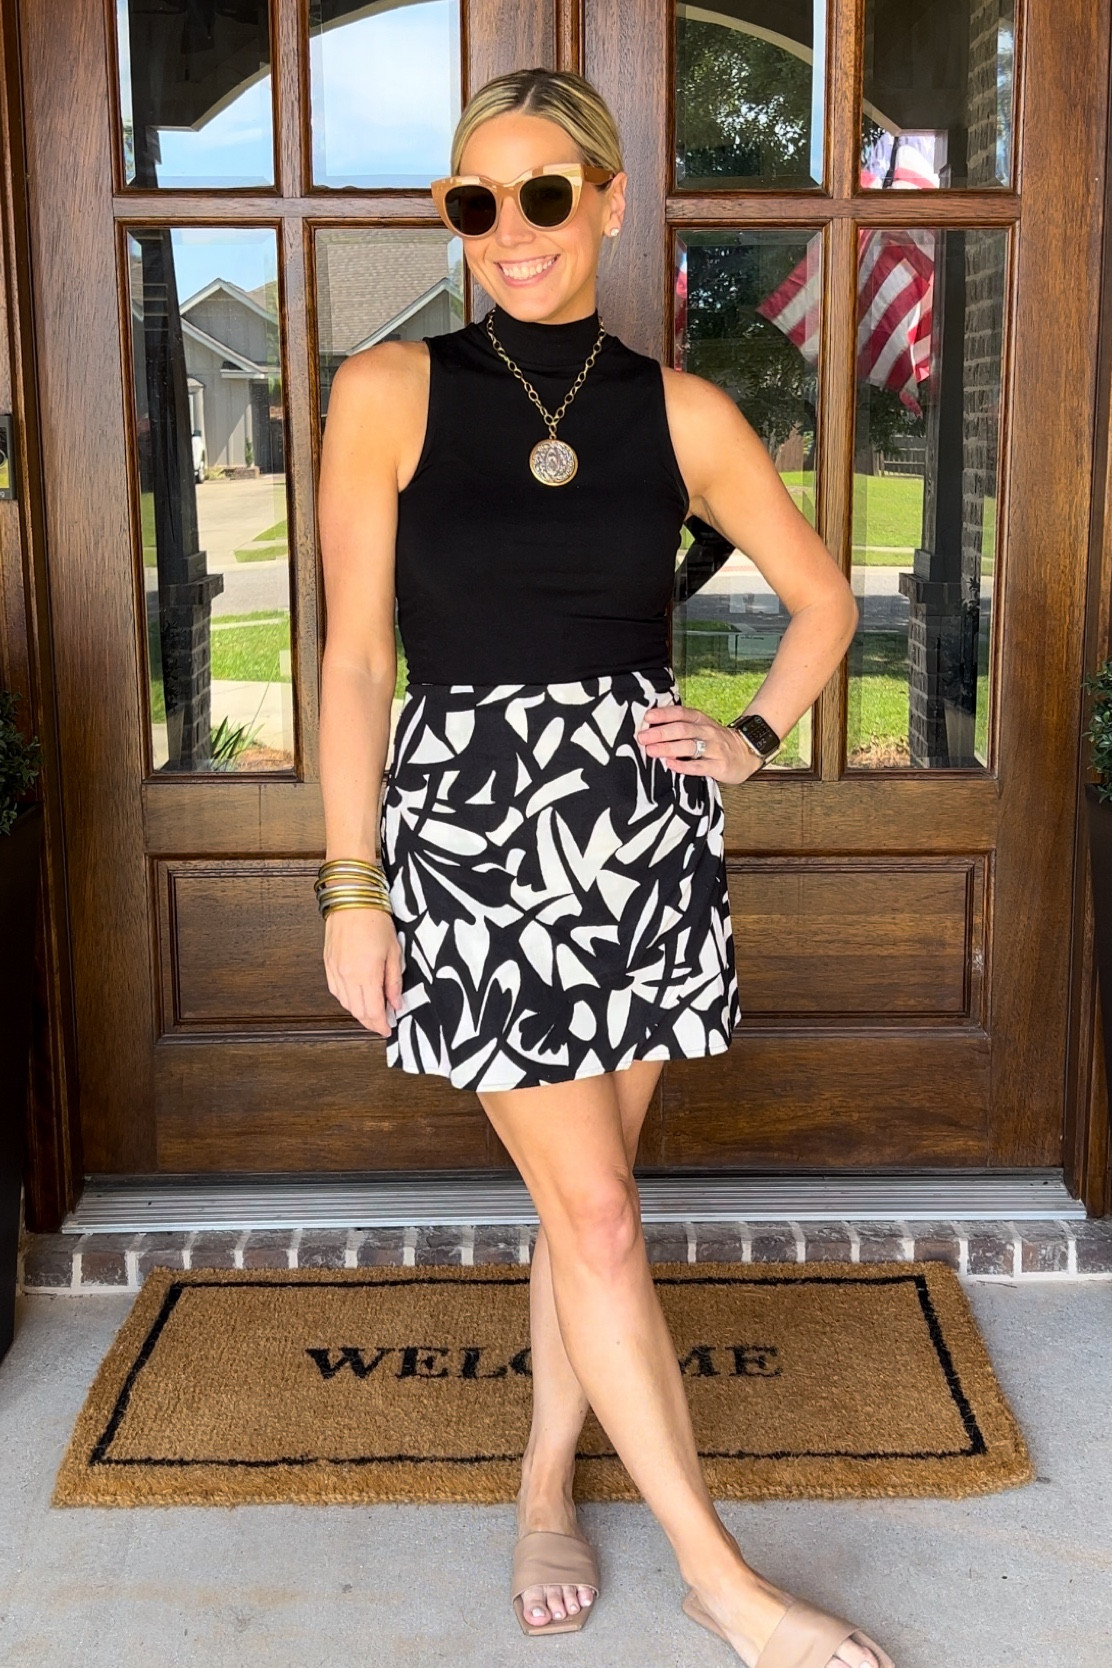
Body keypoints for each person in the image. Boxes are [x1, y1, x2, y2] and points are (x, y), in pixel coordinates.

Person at [315, 64, 892, 1668]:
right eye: (473, 202)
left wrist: (753, 739)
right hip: (476, 839)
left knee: (588, 1210)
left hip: (640, 839)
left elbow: (825, 605)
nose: (510, 231)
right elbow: (357, 663)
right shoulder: (390, 390)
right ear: (455, 218)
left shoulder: (686, 413)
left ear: (611, 201)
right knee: (601, 1217)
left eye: (544, 195)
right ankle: (728, 1587)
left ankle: (542, 1479)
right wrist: (349, 885)